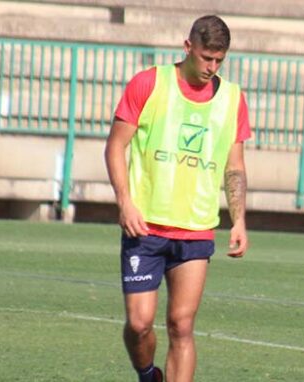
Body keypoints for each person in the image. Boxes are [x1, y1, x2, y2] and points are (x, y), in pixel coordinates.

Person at [104, 15, 251, 382]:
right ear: (188, 48)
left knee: (181, 325)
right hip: (146, 226)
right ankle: (146, 373)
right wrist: (125, 202)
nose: (211, 67)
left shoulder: (232, 99)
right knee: (139, 324)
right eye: (206, 58)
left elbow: (235, 166)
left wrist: (239, 219)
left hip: (197, 229)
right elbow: (115, 147)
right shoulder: (149, 84)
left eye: (219, 60)